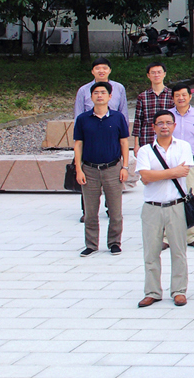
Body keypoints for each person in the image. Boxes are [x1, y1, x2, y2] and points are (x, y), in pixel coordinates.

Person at [135, 110, 193, 307]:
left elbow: (183, 172)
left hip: (176, 205)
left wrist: (157, 173)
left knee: (178, 251)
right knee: (151, 252)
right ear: (153, 127)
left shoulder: (183, 146)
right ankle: (152, 291)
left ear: (174, 126)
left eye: (168, 122)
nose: (164, 126)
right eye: (160, 123)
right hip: (152, 207)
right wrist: (172, 172)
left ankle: (179, 290)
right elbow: (145, 177)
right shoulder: (145, 150)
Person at [75, 81, 130, 257]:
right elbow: (78, 144)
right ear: (91, 97)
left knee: (115, 210)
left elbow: (124, 142)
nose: (99, 95)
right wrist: (79, 169)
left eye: (103, 93)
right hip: (89, 169)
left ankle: (114, 242)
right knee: (90, 211)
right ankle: (91, 244)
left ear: (109, 96)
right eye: (96, 93)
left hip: (112, 168)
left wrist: (125, 166)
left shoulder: (118, 117)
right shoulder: (83, 119)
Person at [168, 84, 194, 248]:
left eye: (184, 95)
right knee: (169, 198)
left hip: (193, 162)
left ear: (189, 96)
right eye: (177, 95)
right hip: (171, 163)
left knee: (193, 198)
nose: (181, 98)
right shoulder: (168, 116)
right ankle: (167, 236)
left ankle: (192, 235)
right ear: (173, 98)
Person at [132, 62, 175, 149]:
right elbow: (138, 121)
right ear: (148, 75)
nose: (156, 75)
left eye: (159, 72)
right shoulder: (142, 96)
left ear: (164, 74)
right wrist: (136, 144)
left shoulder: (172, 95)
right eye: (153, 73)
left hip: (168, 139)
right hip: (147, 138)